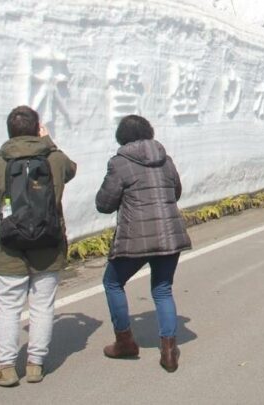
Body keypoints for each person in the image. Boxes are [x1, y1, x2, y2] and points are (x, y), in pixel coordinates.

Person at [0, 106, 77, 387]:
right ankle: (35, 364)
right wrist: (49, 142)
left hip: (11, 247)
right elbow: (71, 169)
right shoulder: (55, 159)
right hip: (49, 243)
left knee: (9, 307)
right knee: (42, 306)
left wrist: (6, 151)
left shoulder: (2, 162)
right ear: (38, 129)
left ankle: (7, 367)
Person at [96, 114, 192, 372]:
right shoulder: (165, 159)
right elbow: (176, 192)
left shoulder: (119, 163)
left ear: (122, 137)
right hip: (170, 234)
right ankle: (169, 352)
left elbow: (104, 204)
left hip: (135, 237)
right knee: (162, 289)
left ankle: (125, 341)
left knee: (112, 282)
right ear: (149, 133)